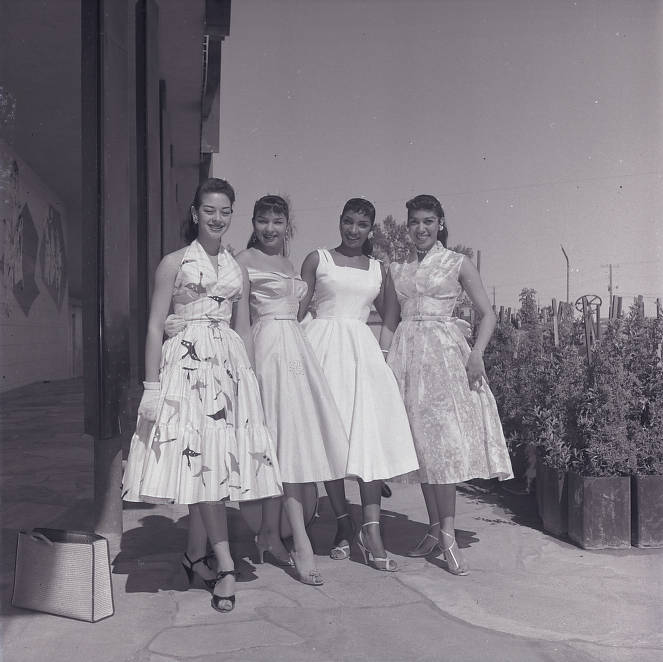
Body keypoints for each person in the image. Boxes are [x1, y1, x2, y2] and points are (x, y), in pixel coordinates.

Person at [167, 195, 350, 585]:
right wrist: (179, 324)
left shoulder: (289, 263)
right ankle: (298, 541)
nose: (270, 228)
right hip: (263, 352)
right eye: (263, 221)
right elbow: (218, 307)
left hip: (295, 349)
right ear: (252, 222)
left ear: (288, 226)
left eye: (278, 221)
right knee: (274, 445)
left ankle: (270, 532)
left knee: (292, 445)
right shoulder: (242, 261)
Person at [122, 178, 282, 612]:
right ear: (196, 213)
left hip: (227, 370)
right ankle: (226, 563)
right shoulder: (173, 262)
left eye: (225, 211)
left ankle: (195, 556)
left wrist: (248, 382)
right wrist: (151, 387)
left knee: (212, 467)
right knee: (204, 464)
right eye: (209, 210)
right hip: (186, 371)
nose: (217, 218)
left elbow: (244, 327)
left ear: (232, 215)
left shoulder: (237, 268)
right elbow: (156, 325)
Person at [379, 194, 513, 576]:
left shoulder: (458, 262)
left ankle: (450, 533)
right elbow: (389, 321)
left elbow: (487, 314)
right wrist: (384, 364)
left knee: (444, 446)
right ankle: (435, 528)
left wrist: (477, 354)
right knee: (422, 448)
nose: (421, 229)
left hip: (446, 359)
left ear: (440, 224)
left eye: (428, 221)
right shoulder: (397, 270)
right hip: (407, 361)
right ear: (407, 227)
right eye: (414, 222)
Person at [299, 198, 419, 572]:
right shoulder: (317, 259)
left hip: (363, 357)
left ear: (371, 230)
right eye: (348, 222)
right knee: (330, 443)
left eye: (362, 225)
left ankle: (372, 531)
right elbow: (297, 312)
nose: (353, 230)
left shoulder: (379, 270)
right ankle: (342, 525)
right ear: (340, 222)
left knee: (369, 443)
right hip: (321, 354)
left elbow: (391, 317)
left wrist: (383, 354)